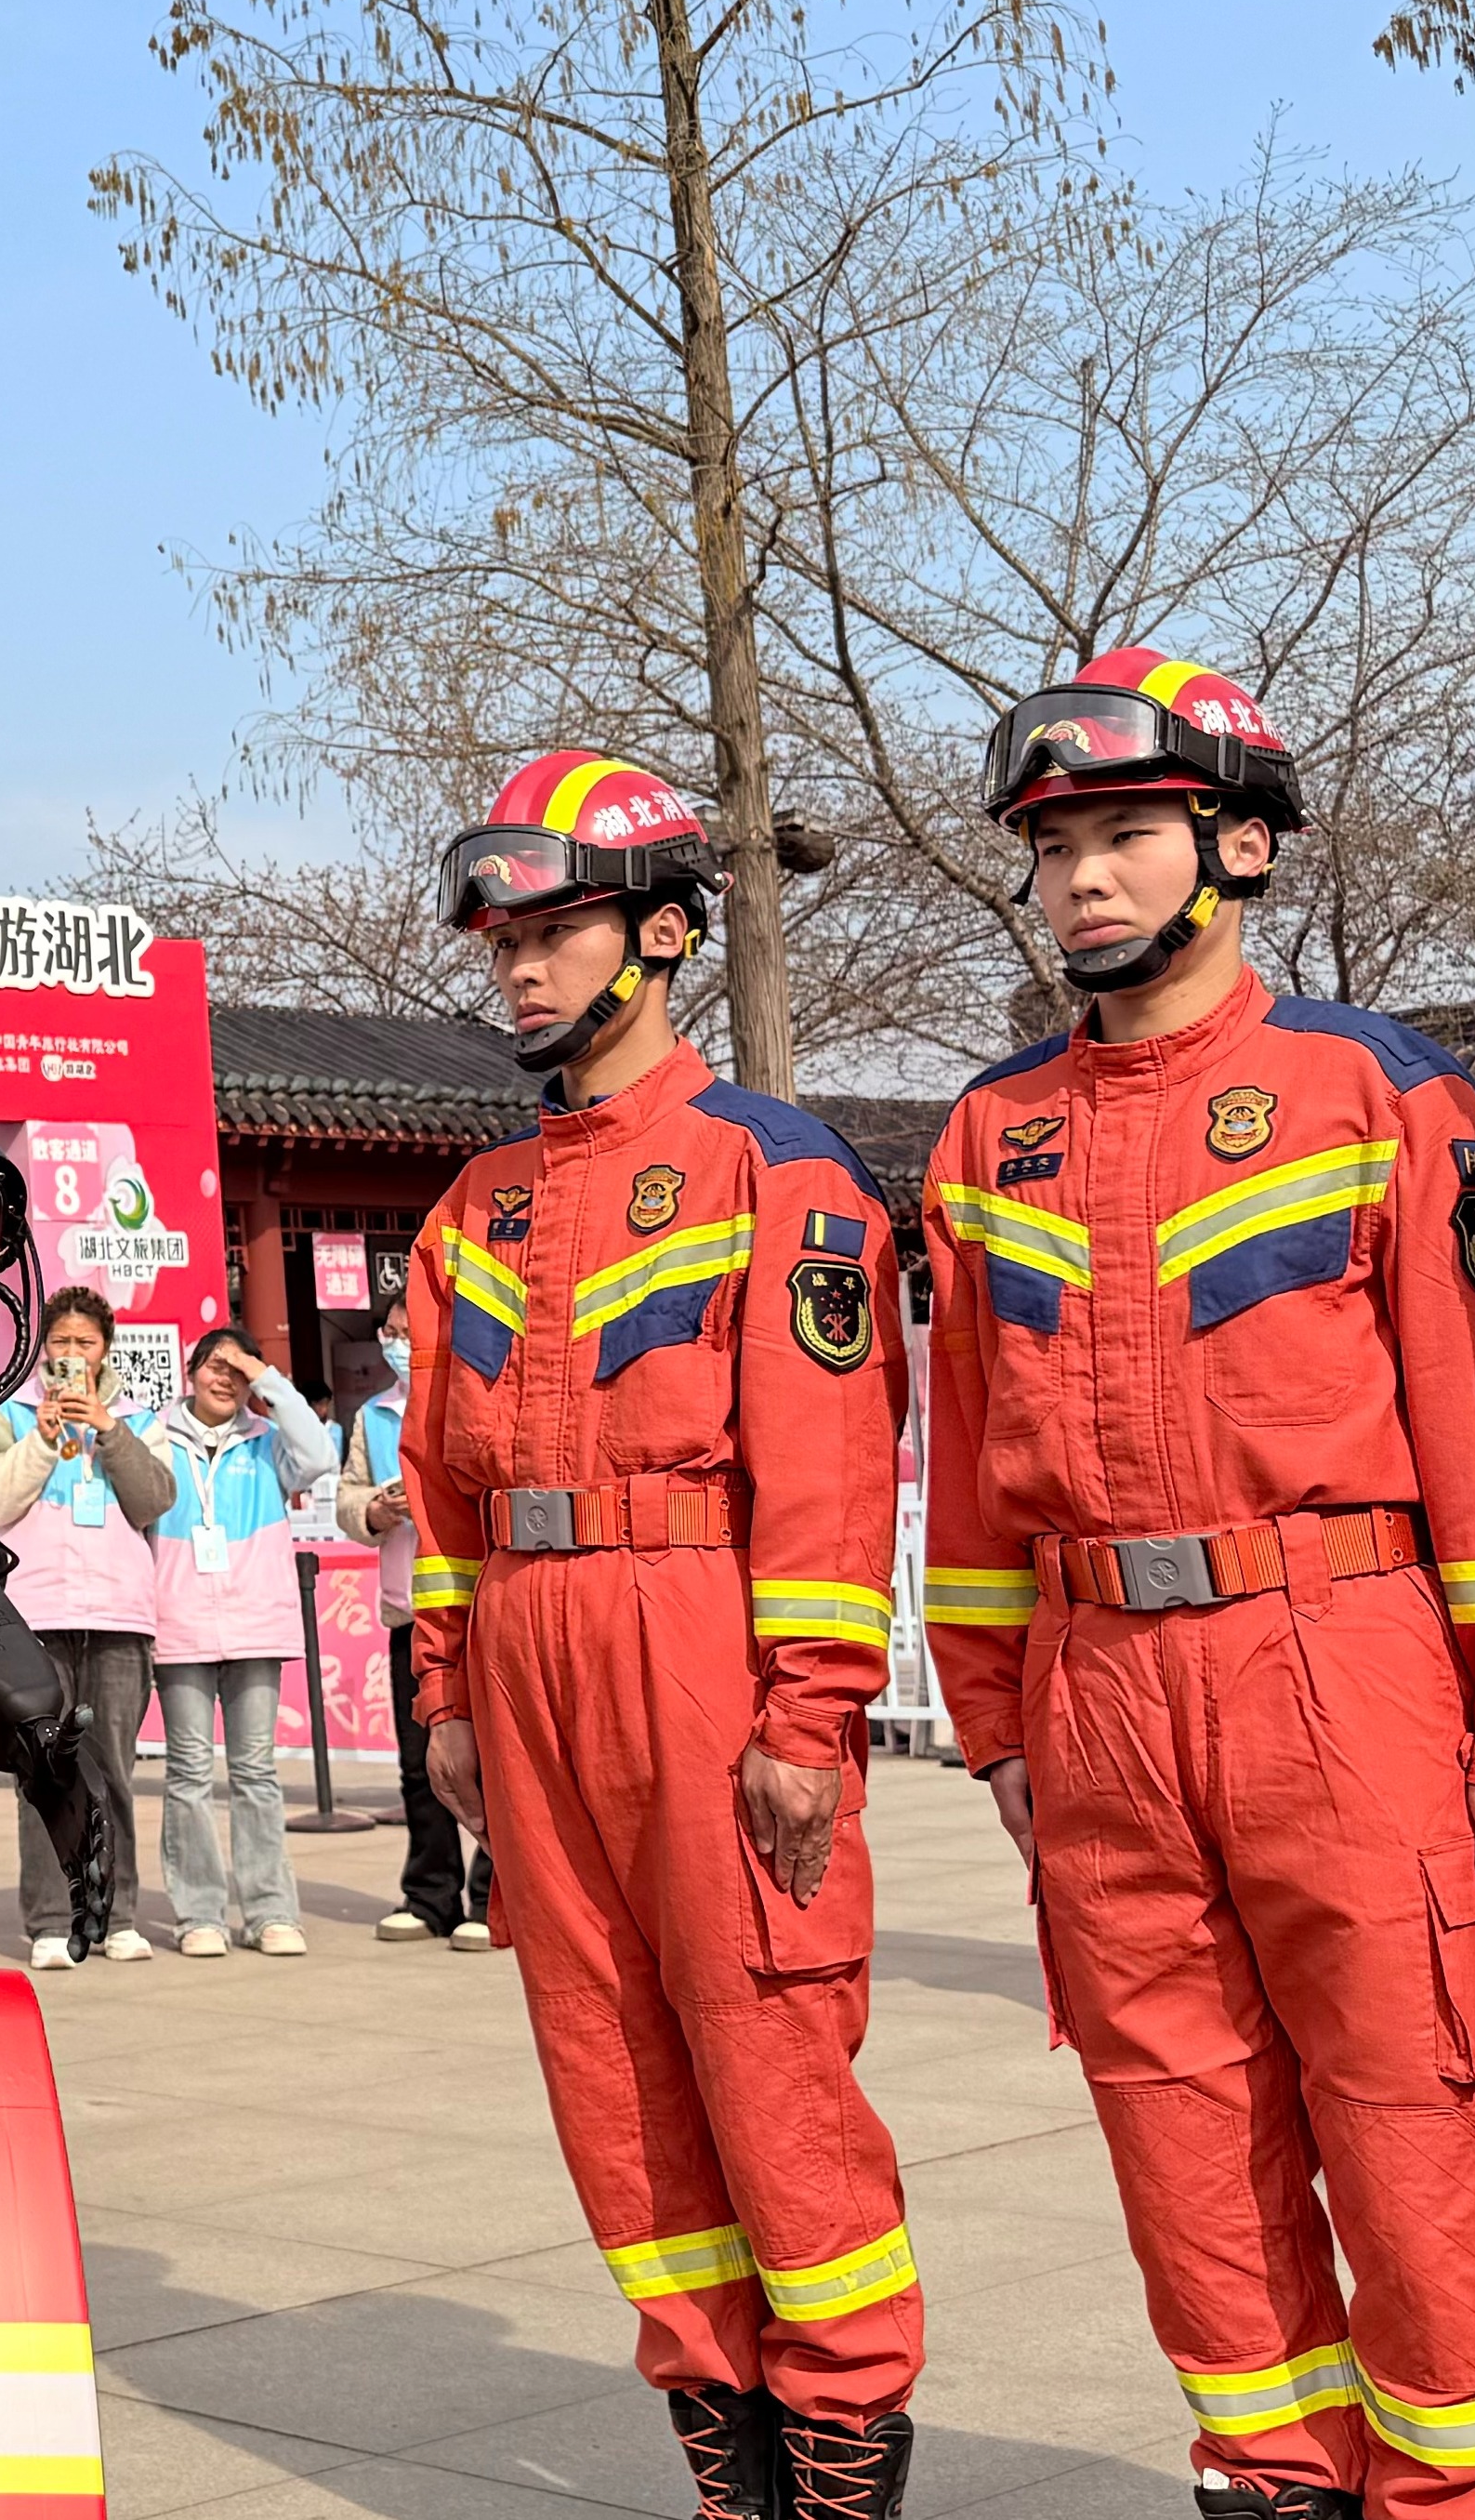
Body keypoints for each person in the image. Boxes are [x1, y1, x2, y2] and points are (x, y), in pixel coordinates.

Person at [910, 649, 1475, 2520]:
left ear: (1241, 846)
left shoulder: (1374, 1090)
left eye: (1125, 833)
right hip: (1093, 1683)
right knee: (1178, 2139)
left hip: (1336, 1656)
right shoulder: (984, 1135)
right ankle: (1268, 2478)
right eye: (1053, 847)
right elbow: (969, 1463)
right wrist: (993, 1720)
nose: (1080, 877)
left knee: (1416, 2132)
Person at [402, 749, 922, 2520]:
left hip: (695, 1631)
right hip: (527, 1653)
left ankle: (839, 2452)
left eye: (553, 932)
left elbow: (828, 1474)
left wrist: (807, 1715)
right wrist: (445, 1692)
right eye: (502, 942)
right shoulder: (473, 1206)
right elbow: (437, 1485)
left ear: (663, 935)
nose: (519, 969)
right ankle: (724, 2458)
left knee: (767, 2059)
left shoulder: (771, 1168)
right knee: (606, 2062)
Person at [0, 1288, 170, 1964]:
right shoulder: (9, 1415)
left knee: (113, 1773)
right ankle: (52, 1920)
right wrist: (41, 1440)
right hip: (35, 1617)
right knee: (43, 1773)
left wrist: (109, 1430)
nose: (72, 1355)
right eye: (61, 1342)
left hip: (118, 1618)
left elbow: (154, 1501)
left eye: (85, 1343)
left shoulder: (137, 1417)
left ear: (105, 1349)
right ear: (41, 1348)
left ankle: (117, 1917)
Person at [142, 1329, 330, 1956]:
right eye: (214, 1365)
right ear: (190, 1371)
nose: (225, 1378)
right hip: (179, 1623)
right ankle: (199, 1915)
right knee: (189, 1774)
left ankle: (271, 1911)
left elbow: (319, 1453)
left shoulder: (269, 1443)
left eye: (238, 1370)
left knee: (255, 1773)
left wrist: (266, 1376)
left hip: (255, 1625)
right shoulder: (155, 1437)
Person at [348, 1326, 495, 1948]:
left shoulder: (479, 1392)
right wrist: (376, 1510)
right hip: (410, 1610)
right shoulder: (373, 1414)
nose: (401, 1342)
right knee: (419, 1764)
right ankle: (430, 1894)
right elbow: (348, 1497)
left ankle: (492, 1897)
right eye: (392, 1332)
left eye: (411, 1330)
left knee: (494, 1760)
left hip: (479, 1608)